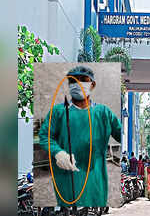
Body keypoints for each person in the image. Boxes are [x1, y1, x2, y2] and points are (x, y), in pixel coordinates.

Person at [39, 65, 121, 207]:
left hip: (95, 184)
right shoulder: (58, 112)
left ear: (92, 84)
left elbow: (121, 135)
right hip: (66, 181)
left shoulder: (103, 113)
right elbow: (45, 136)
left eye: (83, 80)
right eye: (73, 81)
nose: (77, 84)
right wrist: (58, 152)